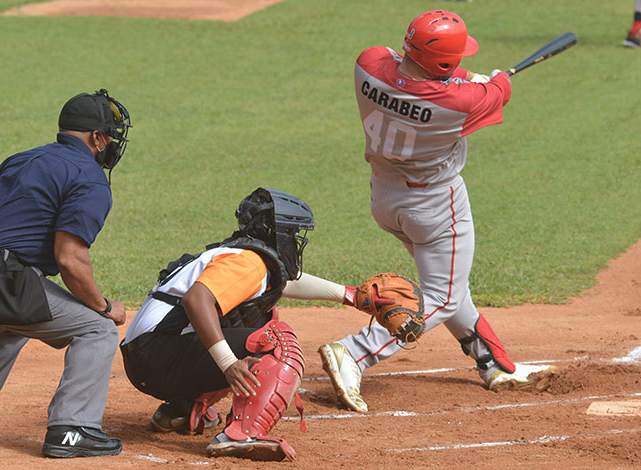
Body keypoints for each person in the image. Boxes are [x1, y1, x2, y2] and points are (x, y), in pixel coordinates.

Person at [317, 10, 555, 414]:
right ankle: (354, 352)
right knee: (442, 296)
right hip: (434, 206)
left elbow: (413, 74)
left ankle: (494, 363)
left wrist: (466, 79)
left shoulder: (368, 64)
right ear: (446, 63)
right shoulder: (462, 102)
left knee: (448, 285)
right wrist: (495, 77)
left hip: (384, 198)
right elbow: (494, 90)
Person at [0, 89, 132, 457]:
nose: (112, 143)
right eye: (110, 135)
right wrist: (103, 306)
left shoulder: (21, 159)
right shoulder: (89, 176)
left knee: (16, 315)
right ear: (97, 138)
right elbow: (70, 259)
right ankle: (73, 428)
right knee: (95, 329)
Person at [120, 187, 363, 462]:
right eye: (291, 233)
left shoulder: (241, 256)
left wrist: (351, 295)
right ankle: (241, 434)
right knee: (275, 339)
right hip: (157, 356)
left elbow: (283, 283)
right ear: (275, 232)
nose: (295, 241)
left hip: (148, 356)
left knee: (262, 317)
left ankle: (182, 409)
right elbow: (196, 300)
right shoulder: (248, 262)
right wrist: (227, 363)